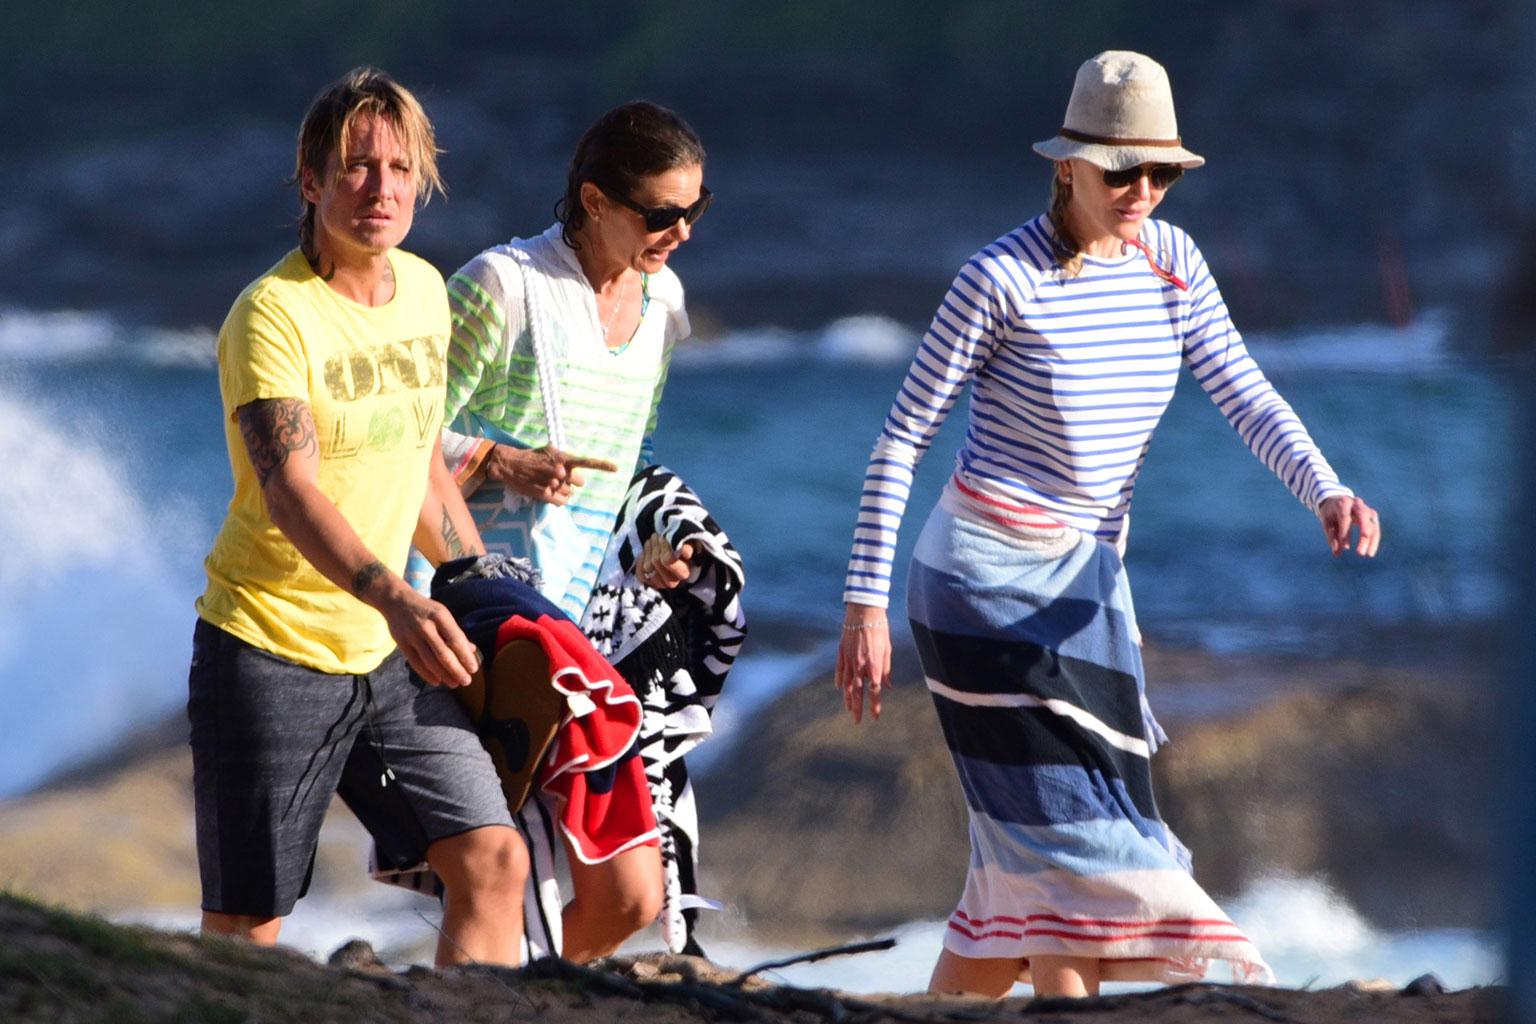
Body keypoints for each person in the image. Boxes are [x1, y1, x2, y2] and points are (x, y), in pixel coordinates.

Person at [836, 51, 1382, 998]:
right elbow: (903, 439)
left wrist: (1324, 488)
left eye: (1161, 171)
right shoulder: (998, 279)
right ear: (1067, 166)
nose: (1142, 190)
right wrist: (862, 605)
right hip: (978, 589)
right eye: (1120, 169)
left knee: (1022, 871)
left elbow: (1242, 392)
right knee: (1074, 858)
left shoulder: (1174, 264)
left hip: (1086, 595)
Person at [189, 67, 527, 967]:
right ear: (310, 180)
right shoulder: (272, 315)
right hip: (270, 648)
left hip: (388, 653)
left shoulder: (422, 293)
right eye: (354, 167)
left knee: (493, 863)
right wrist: (395, 597)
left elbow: (416, 456)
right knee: (247, 936)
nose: (379, 188)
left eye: (398, 167)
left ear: (422, 179)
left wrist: (474, 582)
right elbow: (290, 488)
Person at [410, 100, 712, 961]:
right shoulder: (504, 287)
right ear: (592, 200)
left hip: (584, 628)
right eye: (660, 214)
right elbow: (399, 432)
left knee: (629, 899)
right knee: (505, 883)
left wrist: (645, 555)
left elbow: (628, 458)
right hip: (481, 624)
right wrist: (502, 461)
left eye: (696, 210)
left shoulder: (665, 304)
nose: (681, 231)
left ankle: (513, 993)